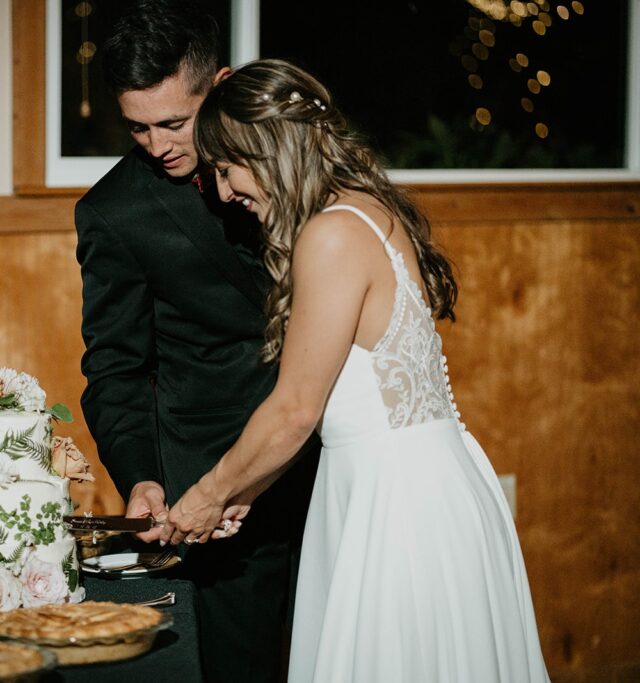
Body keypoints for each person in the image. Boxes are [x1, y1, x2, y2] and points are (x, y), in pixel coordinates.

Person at [160, 59, 550, 682]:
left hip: (395, 506)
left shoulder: (332, 233)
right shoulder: (367, 209)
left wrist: (208, 495)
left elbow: (295, 410)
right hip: (418, 483)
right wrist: (247, 490)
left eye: (227, 169)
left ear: (266, 150)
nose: (226, 190)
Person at [75, 3, 319, 681]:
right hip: (217, 490)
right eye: (138, 128)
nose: (156, 146)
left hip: (333, 463)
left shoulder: (299, 166)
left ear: (220, 83)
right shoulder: (113, 211)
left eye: (173, 123)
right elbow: (117, 367)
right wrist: (143, 473)